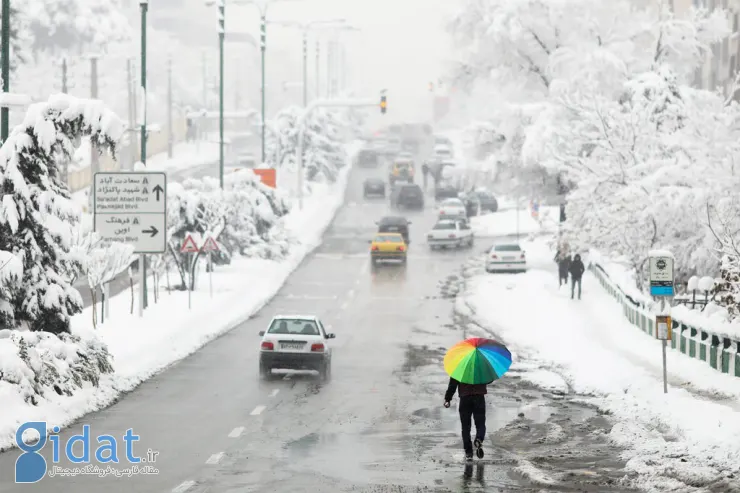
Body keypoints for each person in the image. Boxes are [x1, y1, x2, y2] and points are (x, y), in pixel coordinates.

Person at [444, 377, 487, 461]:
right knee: (480, 424)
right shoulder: (481, 366)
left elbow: (453, 384)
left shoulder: (459, 367)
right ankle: (479, 439)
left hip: (465, 398)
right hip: (479, 397)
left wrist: (448, 399)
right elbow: (488, 379)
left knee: (465, 427)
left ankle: (468, 452)